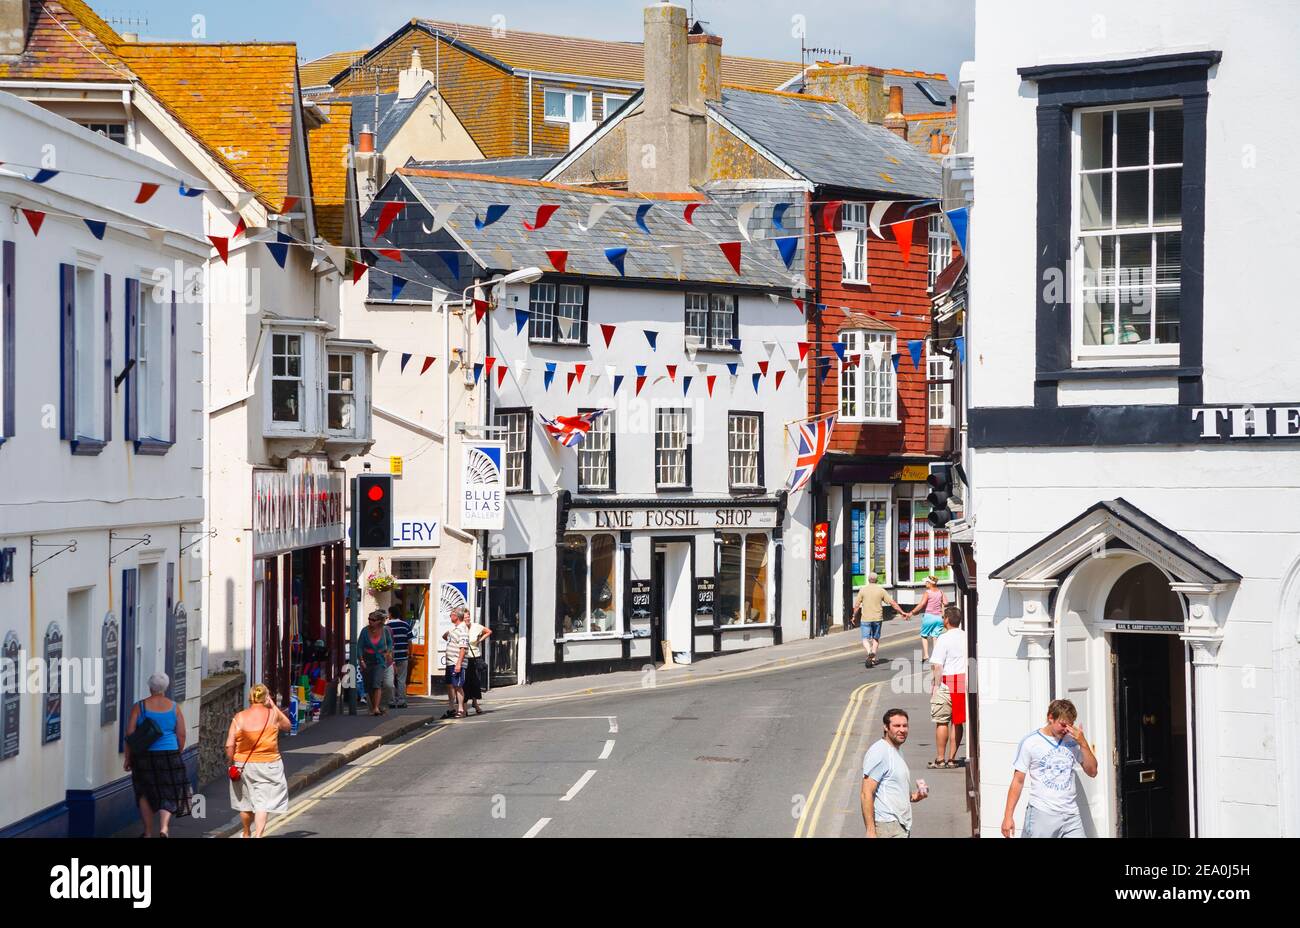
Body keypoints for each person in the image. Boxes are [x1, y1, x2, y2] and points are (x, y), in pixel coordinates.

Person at [1001, 698, 1100, 838]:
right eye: (1063, 724)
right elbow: (1018, 781)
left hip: (1071, 815)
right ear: (1051, 718)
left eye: (1070, 725)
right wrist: (1008, 816)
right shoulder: (1030, 743)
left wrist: (1083, 743)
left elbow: (1092, 771)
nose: (1066, 729)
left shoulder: (1073, 741)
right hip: (1042, 814)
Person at [123, 673, 192, 837]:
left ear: (150, 687)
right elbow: (181, 733)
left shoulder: (139, 707)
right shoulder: (174, 707)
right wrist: (177, 751)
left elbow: (130, 735)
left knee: (145, 792)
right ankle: (164, 828)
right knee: (168, 790)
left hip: (145, 757)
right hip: (169, 753)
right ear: (166, 687)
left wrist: (128, 757)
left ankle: (147, 832)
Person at [225, 683, 291, 838]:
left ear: (250, 697)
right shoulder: (272, 714)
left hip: (242, 765)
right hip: (269, 764)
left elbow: (229, 745)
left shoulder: (239, 717)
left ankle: (247, 833)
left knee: (245, 803)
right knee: (263, 803)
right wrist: (273, 706)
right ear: (266, 697)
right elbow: (287, 726)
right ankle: (258, 835)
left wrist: (231, 763)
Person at [861, 708, 927, 837]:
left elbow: (891, 788)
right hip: (887, 826)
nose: (902, 730)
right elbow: (866, 793)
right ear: (886, 727)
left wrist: (915, 796)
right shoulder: (879, 752)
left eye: (905, 726)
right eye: (897, 726)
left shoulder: (896, 750)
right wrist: (870, 830)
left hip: (900, 825)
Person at [927, 605, 967, 769]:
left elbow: (937, 666)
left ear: (947, 620)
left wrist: (935, 686)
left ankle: (940, 759)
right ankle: (952, 759)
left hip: (946, 681)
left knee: (942, 721)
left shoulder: (943, 638)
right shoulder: (967, 636)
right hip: (963, 681)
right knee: (957, 722)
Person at [852, 572, 905, 667]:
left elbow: (856, 605)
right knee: (875, 638)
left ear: (868, 580)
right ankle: (873, 658)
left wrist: (854, 616)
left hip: (865, 618)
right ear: (877, 580)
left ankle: (869, 652)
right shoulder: (881, 590)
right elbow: (892, 603)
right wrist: (902, 612)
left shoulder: (863, 590)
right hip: (877, 618)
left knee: (865, 638)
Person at [356, 609, 394, 717]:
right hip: (367, 661)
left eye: (372, 620)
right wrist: (361, 660)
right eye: (369, 619)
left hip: (380, 661)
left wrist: (388, 652)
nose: (370, 621)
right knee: (369, 686)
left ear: (379, 621)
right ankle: (374, 707)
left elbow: (390, 642)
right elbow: (359, 646)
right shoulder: (364, 631)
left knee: (376, 683)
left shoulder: (385, 630)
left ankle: (377, 707)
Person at [905, 575, 947, 662]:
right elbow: (946, 602)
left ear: (930, 583)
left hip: (929, 617)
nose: (925, 584)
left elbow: (922, 604)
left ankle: (926, 655)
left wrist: (912, 612)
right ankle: (936, 656)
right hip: (939, 618)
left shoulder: (927, 592)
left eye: (926, 582)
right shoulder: (940, 592)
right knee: (935, 637)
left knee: (924, 635)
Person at [461, 611, 493, 715]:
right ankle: (464, 707)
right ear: (462, 618)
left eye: (468, 616)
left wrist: (480, 640)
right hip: (465, 658)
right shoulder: (460, 628)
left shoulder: (476, 626)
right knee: (465, 683)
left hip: (475, 657)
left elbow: (489, 631)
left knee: (475, 682)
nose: (468, 619)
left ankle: (475, 703)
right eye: (465, 617)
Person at [443, 608, 470, 718]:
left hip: (456, 662)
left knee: (458, 686)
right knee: (451, 685)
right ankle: (452, 709)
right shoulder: (455, 629)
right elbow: (445, 637)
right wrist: (449, 633)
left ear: (456, 616)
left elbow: (463, 648)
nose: (450, 616)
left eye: (451, 614)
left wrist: (458, 663)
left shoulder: (462, 630)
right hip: (450, 662)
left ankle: (461, 710)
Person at [386, 604, 412, 709]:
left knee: (390, 679)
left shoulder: (387, 627)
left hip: (390, 657)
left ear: (391, 614)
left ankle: (391, 701)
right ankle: (401, 701)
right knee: (401, 679)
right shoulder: (405, 625)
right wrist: (410, 653)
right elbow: (409, 641)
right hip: (403, 655)